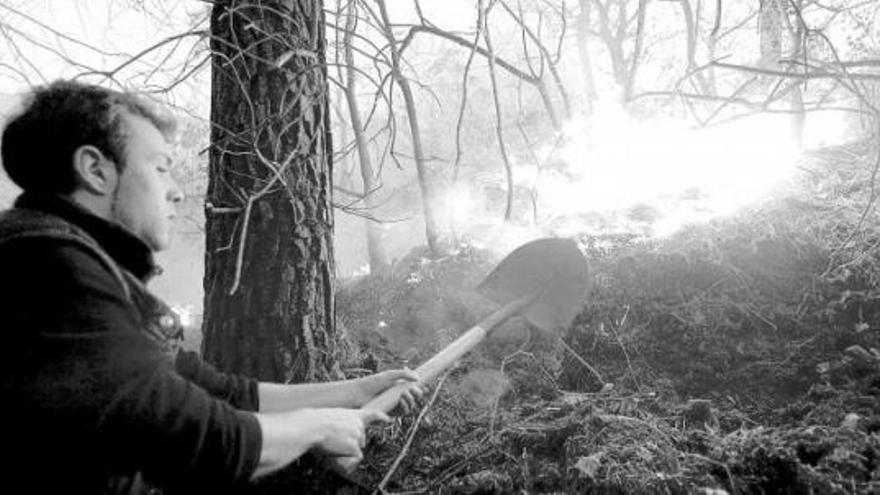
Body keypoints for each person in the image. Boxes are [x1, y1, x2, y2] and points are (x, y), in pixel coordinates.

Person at [0, 80, 425, 494]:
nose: (177, 192)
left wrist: (353, 392)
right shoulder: (45, 270)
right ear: (96, 170)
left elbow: (218, 391)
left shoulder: (73, 265)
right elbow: (185, 433)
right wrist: (316, 428)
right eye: (161, 168)